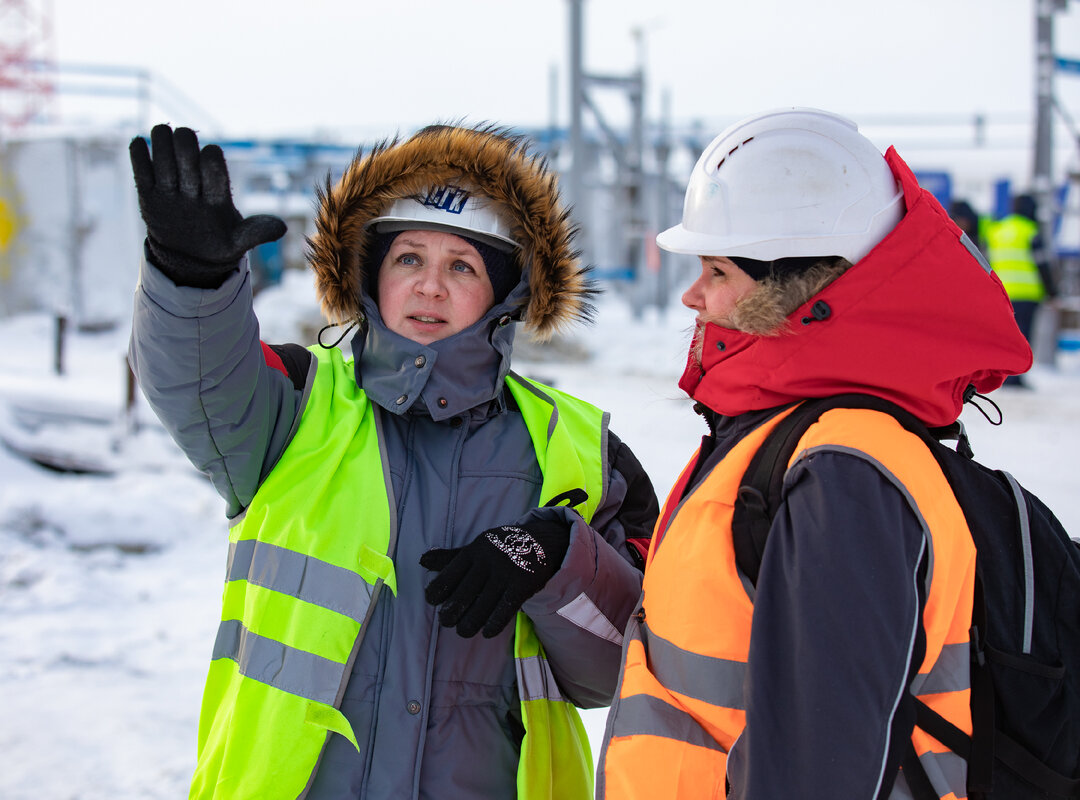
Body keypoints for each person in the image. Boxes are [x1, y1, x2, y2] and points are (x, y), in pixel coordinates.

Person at [127, 122, 657, 800]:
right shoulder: (293, 403)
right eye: (409, 258)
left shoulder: (583, 453)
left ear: (505, 295)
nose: (430, 287)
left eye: (462, 266)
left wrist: (557, 556)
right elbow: (194, 385)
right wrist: (190, 279)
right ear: (371, 273)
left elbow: (616, 669)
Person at [596, 108, 1032, 799]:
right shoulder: (792, 436)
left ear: (792, 291)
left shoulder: (842, 469)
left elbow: (819, 768)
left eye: (717, 270)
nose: (692, 294)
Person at [981, 193, 1060, 386]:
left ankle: (1002, 377)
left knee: (1005, 337)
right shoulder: (1030, 231)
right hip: (1027, 293)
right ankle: (1016, 377)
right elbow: (1042, 264)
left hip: (1002, 294)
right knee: (1023, 338)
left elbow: (985, 260)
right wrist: (1052, 292)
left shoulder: (996, 230)